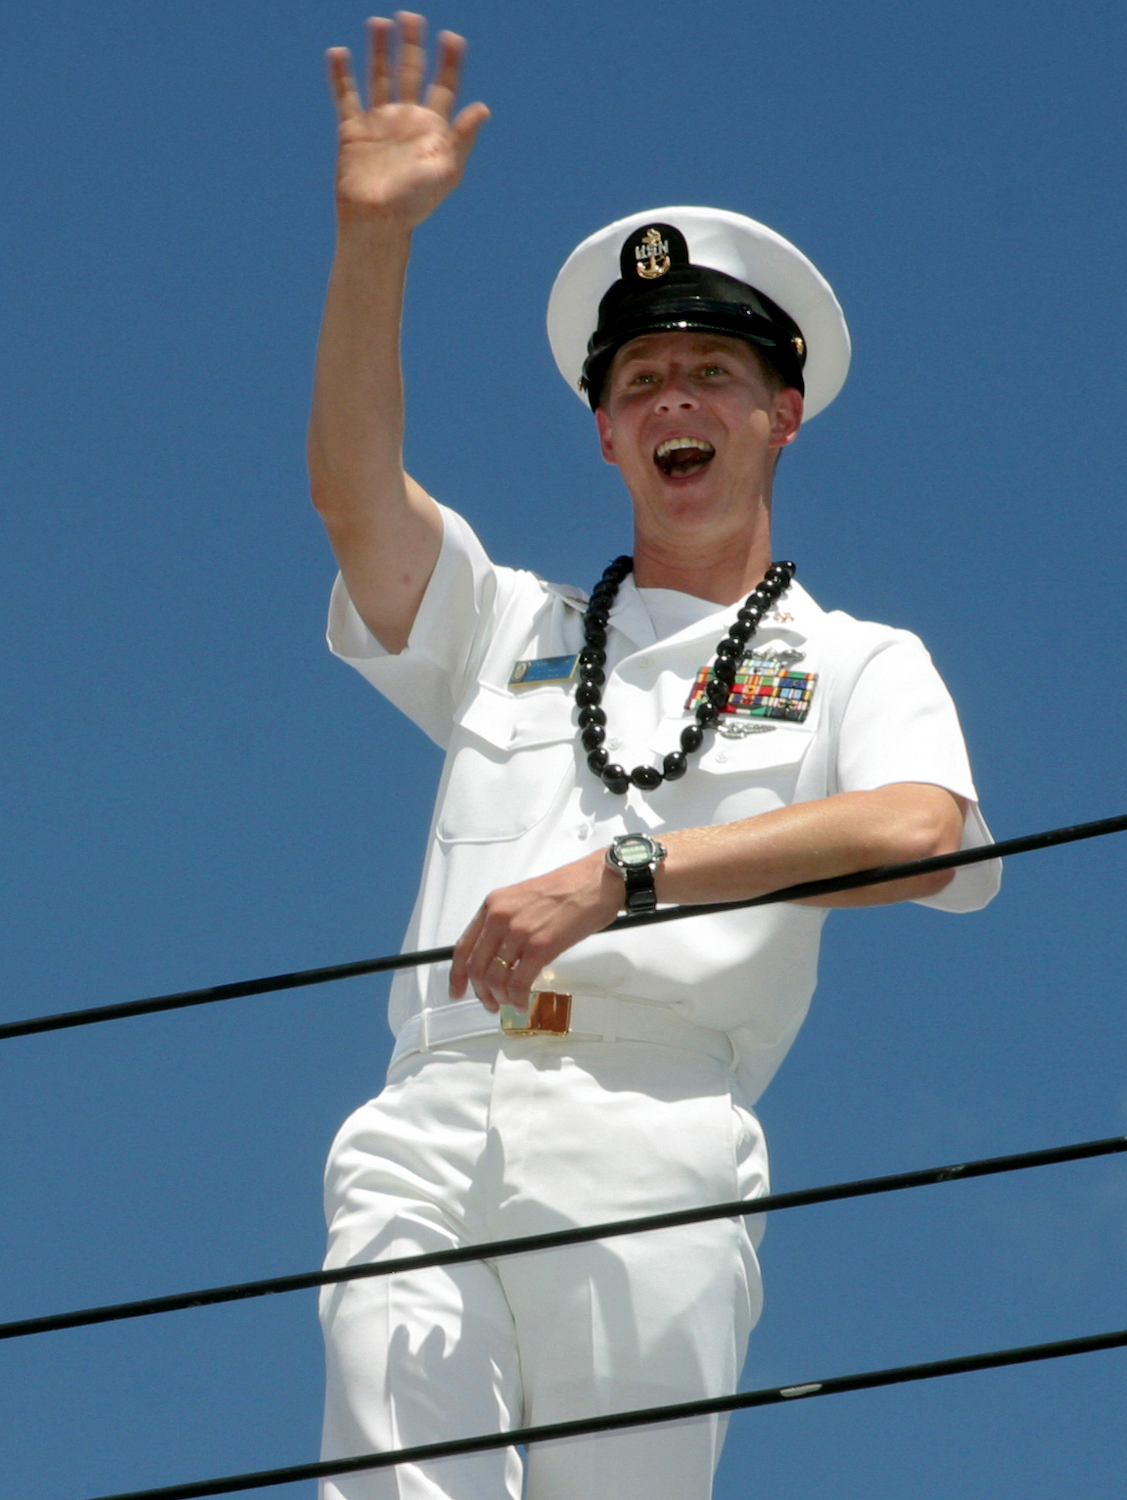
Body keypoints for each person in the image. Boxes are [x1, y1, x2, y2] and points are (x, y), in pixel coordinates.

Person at [307, 16, 997, 1500]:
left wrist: (626, 877)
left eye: (712, 371)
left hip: (656, 1124)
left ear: (782, 416)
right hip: (428, 1106)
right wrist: (374, 244)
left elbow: (923, 830)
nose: (672, 396)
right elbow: (359, 502)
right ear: (609, 440)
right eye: (639, 383)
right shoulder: (508, 625)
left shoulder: (860, 658)